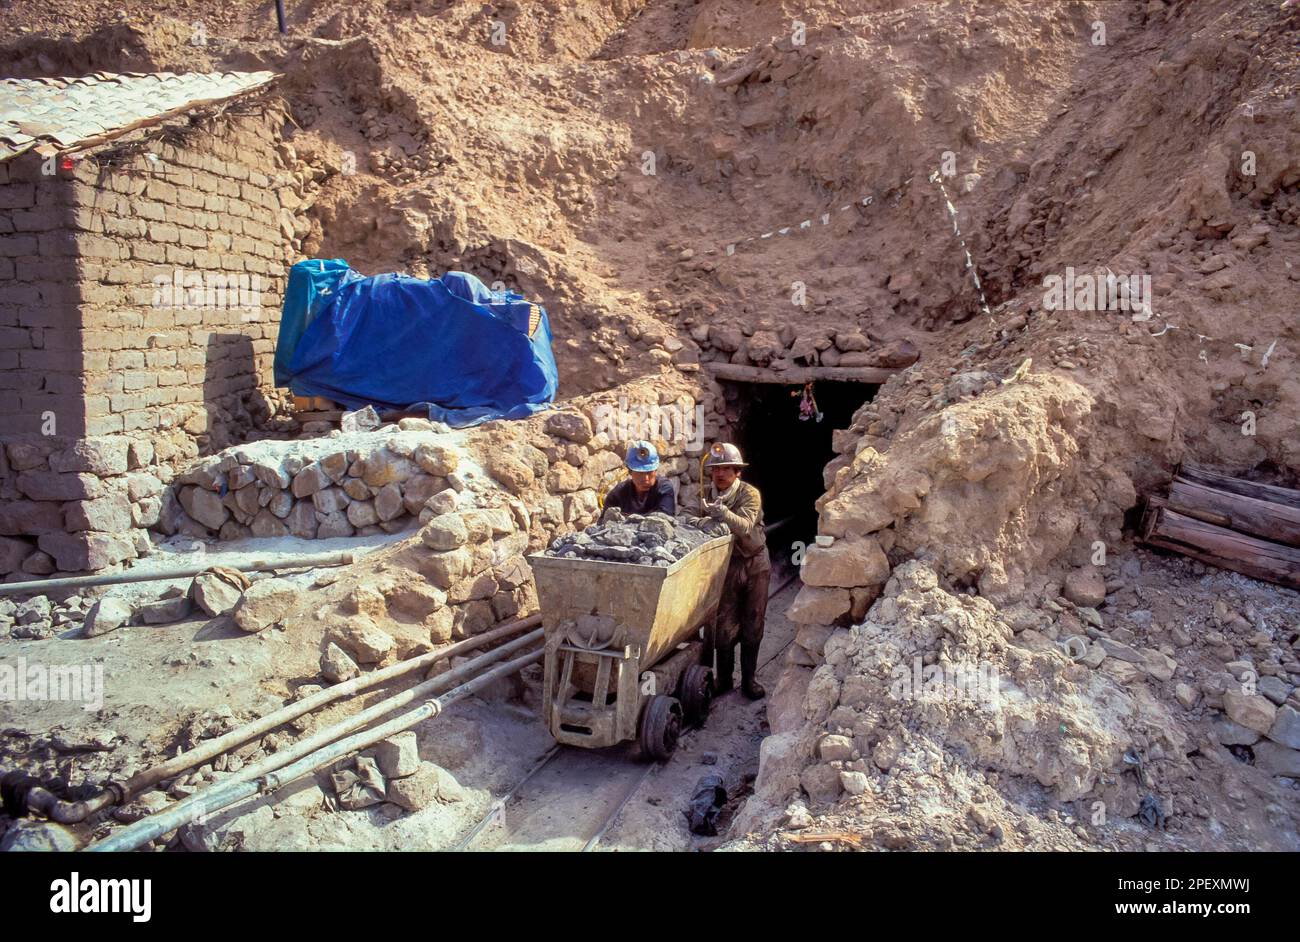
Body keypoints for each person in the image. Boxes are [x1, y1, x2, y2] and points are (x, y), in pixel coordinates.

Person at [701, 442, 769, 699]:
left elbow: (745, 525)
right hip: (727, 565)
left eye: (725, 469)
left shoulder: (749, 494)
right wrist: (699, 519)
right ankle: (724, 679)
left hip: (754, 562)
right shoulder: (706, 494)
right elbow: (687, 514)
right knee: (724, 623)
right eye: (715, 469)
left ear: (737, 472)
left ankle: (749, 681)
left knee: (753, 621)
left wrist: (723, 513)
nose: (719, 474)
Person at [600, 440, 676, 520]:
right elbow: (603, 521)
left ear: (655, 471)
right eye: (640, 473)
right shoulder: (619, 493)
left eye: (649, 472)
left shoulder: (664, 488)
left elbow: (665, 517)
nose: (646, 479)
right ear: (630, 472)